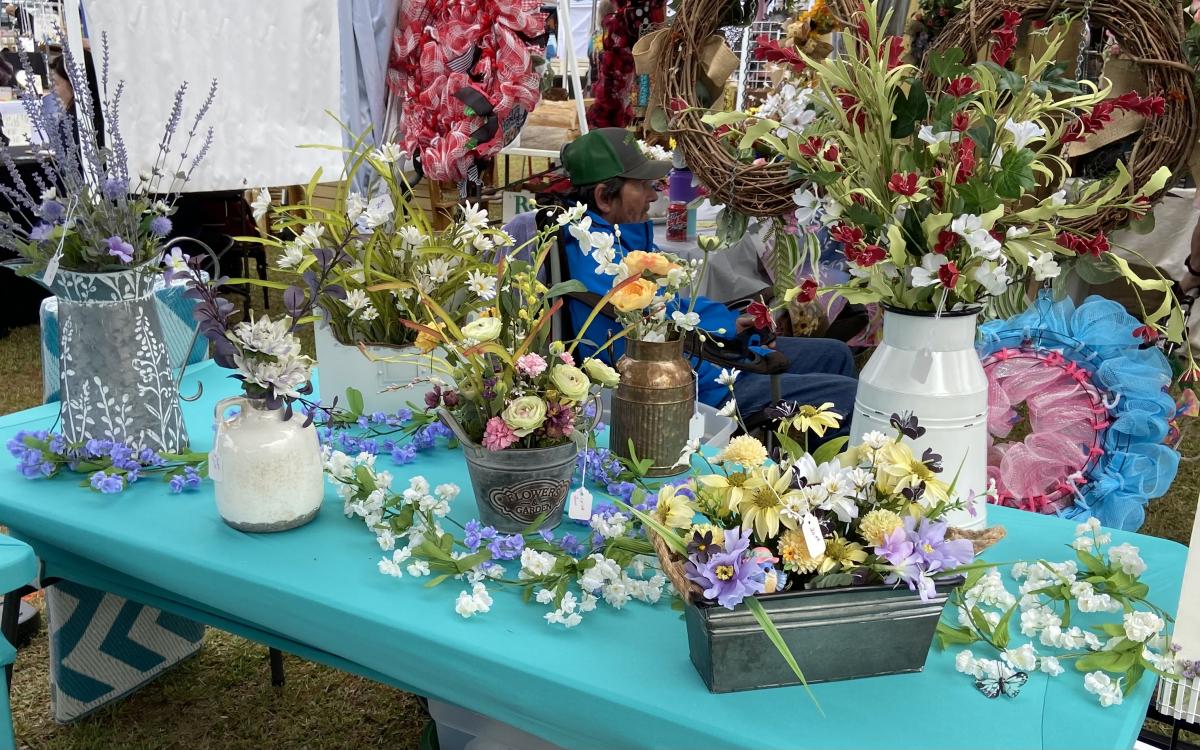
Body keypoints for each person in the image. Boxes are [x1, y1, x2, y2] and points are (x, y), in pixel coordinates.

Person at [557, 127, 858, 433]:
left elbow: (672, 307)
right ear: (604, 197)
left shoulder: (621, 239)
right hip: (695, 387)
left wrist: (732, 323)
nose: (653, 195)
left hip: (709, 358)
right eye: (643, 185)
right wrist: (733, 336)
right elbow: (657, 331)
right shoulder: (597, 260)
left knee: (835, 355)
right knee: (849, 396)